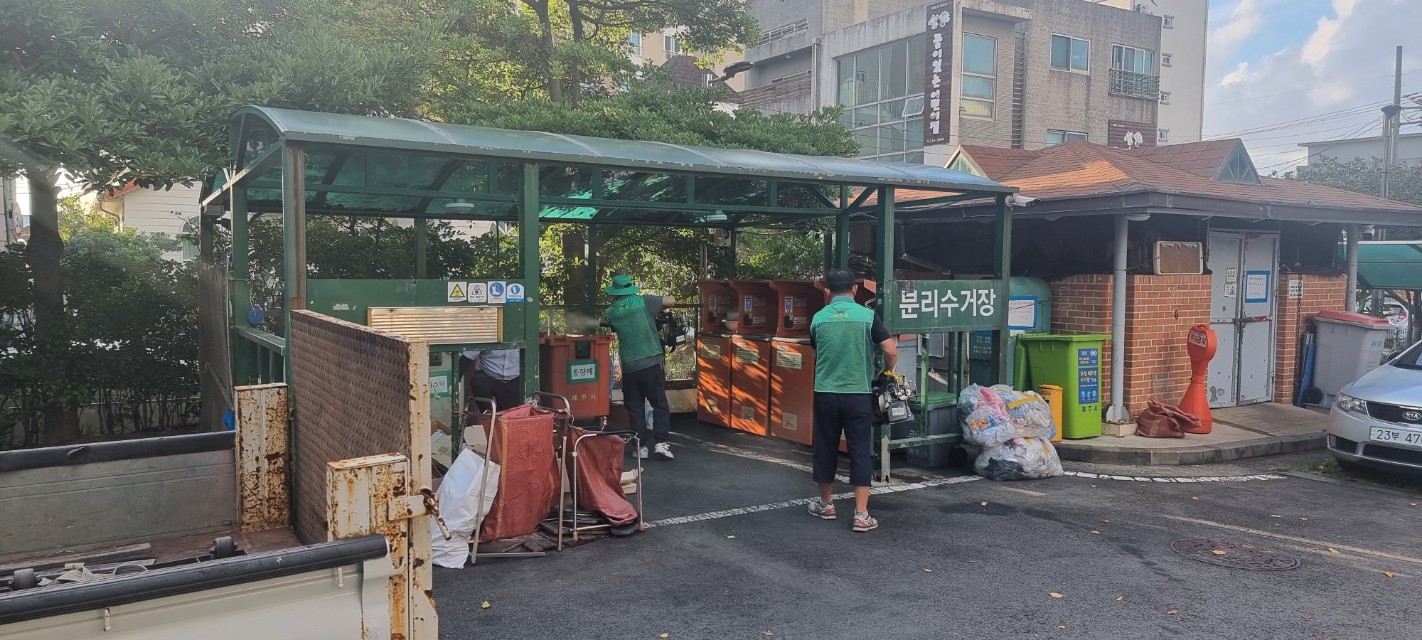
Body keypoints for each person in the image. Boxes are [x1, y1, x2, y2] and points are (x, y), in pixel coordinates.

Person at [805, 268, 896, 533]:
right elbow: (890, 350)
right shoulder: (867, 316)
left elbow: (816, 351)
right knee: (859, 451)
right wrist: (887, 372)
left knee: (825, 448)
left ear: (827, 291)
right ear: (854, 290)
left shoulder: (818, 319)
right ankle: (861, 514)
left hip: (825, 393)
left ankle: (826, 505)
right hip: (858, 394)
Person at [603, 272, 676, 460]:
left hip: (629, 366)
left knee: (635, 407)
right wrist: (655, 309)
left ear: (615, 292)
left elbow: (615, 326)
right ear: (631, 288)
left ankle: (640, 447)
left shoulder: (611, 312)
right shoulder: (645, 301)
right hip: (651, 362)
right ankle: (661, 444)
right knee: (659, 403)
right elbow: (671, 301)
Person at [461, 348, 522, 413]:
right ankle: (488, 416)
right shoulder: (487, 337)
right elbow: (467, 357)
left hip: (514, 378)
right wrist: (456, 382)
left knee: (508, 415)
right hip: (488, 374)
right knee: (479, 382)